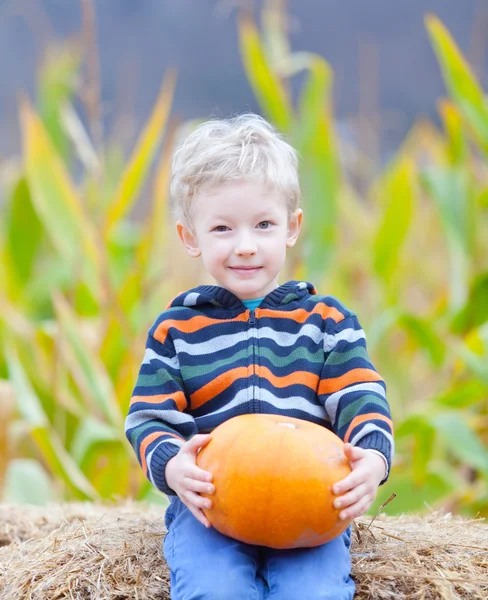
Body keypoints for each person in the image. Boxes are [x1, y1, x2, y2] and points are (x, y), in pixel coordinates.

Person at [125, 113, 394, 600]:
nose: (246, 246)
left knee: (315, 592)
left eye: (263, 225)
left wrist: (373, 458)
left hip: (311, 503)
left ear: (291, 228)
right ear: (190, 237)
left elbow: (360, 397)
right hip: (211, 504)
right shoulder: (176, 329)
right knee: (214, 589)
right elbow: (147, 417)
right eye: (223, 228)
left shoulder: (327, 323)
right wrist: (170, 465)